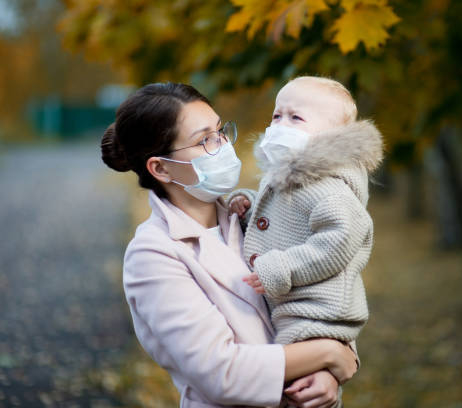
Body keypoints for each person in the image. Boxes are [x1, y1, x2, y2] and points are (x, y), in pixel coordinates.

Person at [100, 82, 358, 408]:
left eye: (220, 132)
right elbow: (223, 373)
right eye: (204, 140)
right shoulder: (153, 255)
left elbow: (327, 292)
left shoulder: (250, 215)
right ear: (161, 168)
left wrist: (330, 371)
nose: (222, 145)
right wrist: (329, 354)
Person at [228, 76, 383, 405]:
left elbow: (339, 239)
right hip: (296, 310)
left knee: (296, 390)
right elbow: (284, 220)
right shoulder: (293, 176)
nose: (281, 124)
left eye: (295, 117)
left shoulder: (329, 186)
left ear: (333, 137)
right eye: (276, 116)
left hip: (315, 314)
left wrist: (283, 267)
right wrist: (249, 207)